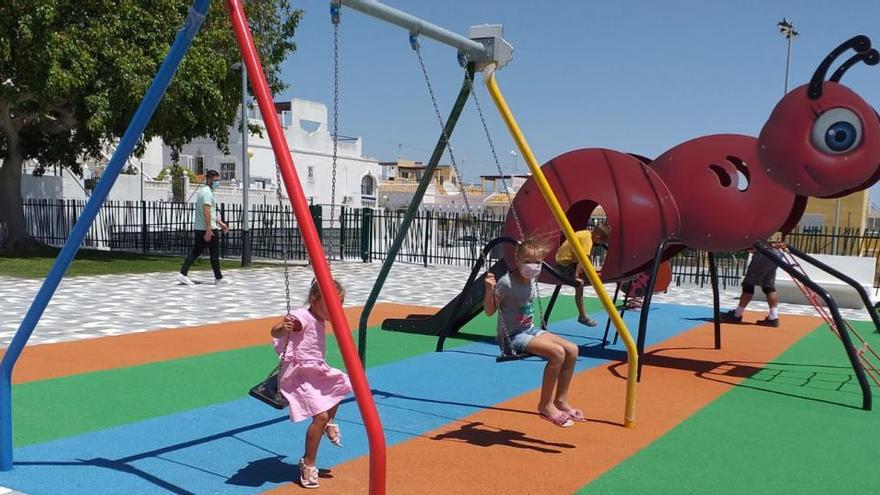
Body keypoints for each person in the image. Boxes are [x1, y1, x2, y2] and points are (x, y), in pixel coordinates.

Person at [484, 236, 584, 428]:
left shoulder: (531, 279)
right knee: (557, 353)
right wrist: (489, 289)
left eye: (537, 262)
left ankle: (560, 401)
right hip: (512, 337)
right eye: (528, 261)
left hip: (529, 330)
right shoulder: (506, 283)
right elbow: (489, 311)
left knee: (572, 349)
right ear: (517, 260)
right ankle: (545, 405)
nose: (533, 266)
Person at [271, 279, 351, 489]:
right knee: (320, 416)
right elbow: (276, 330)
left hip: (316, 369)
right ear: (314, 300)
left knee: (342, 382)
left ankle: (330, 422)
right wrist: (282, 327)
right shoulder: (302, 317)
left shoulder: (319, 317)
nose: (336, 311)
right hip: (299, 373)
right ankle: (308, 462)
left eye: (339, 306)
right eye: (332, 306)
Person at [552, 223, 611, 327]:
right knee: (580, 285)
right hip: (563, 266)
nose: (601, 245)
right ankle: (582, 316)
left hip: (568, 263)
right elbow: (583, 259)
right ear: (597, 237)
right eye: (601, 242)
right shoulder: (587, 239)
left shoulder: (585, 234)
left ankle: (582, 315)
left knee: (592, 275)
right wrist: (576, 277)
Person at [177, 170, 230, 286]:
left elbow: (210, 211)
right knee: (214, 254)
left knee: (196, 251)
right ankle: (218, 278)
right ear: (209, 180)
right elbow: (206, 211)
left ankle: (183, 273)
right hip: (208, 228)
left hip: (200, 227)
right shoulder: (207, 193)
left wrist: (220, 222)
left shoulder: (204, 191)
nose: (217, 183)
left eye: (218, 180)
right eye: (215, 180)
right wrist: (209, 229)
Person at [722, 245, 781, 327]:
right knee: (768, 286)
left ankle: (737, 315)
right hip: (776, 253)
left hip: (763, 253)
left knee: (748, 284)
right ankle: (773, 317)